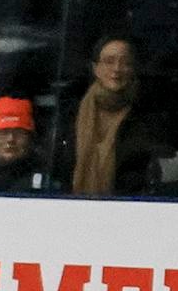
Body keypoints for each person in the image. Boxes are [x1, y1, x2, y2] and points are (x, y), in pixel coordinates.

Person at [54, 35, 169, 196]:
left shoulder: (148, 117)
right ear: (96, 68)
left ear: (133, 69)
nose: (117, 69)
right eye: (109, 61)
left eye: (126, 63)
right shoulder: (71, 114)